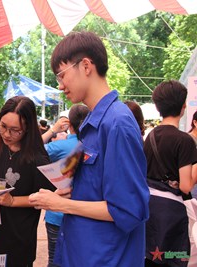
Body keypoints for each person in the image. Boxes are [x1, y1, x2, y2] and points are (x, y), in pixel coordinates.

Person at [29, 31, 150, 267]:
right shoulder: (94, 123)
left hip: (106, 258)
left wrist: (62, 205)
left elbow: (129, 210)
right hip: (84, 253)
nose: (60, 85)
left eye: (62, 75)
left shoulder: (117, 123)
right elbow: (100, 193)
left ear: (86, 66)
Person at [0, 96, 56, 267]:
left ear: (27, 128)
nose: (6, 134)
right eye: (2, 126)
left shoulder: (37, 159)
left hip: (19, 237)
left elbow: (47, 197)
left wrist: (12, 201)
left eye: (15, 130)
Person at [144, 80, 197, 267]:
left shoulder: (149, 137)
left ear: (158, 107)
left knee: (150, 257)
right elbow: (185, 186)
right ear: (183, 107)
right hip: (172, 216)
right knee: (175, 257)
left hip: (149, 209)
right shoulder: (185, 141)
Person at [42, 104, 89, 267]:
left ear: (69, 124)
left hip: (57, 214)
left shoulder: (60, 146)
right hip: (85, 214)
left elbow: (33, 149)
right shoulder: (95, 145)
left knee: (54, 261)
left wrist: (52, 131)